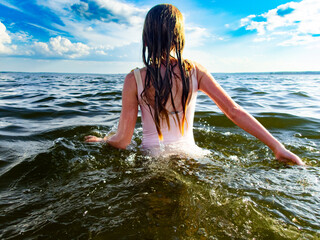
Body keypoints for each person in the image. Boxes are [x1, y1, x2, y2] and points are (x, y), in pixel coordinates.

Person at [85, 4, 305, 165]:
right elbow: (233, 111)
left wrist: (102, 140)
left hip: (152, 162)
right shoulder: (194, 71)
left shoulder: (134, 79)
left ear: (147, 38)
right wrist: (278, 146)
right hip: (193, 158)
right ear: (179, 36)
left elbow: (123, 140)